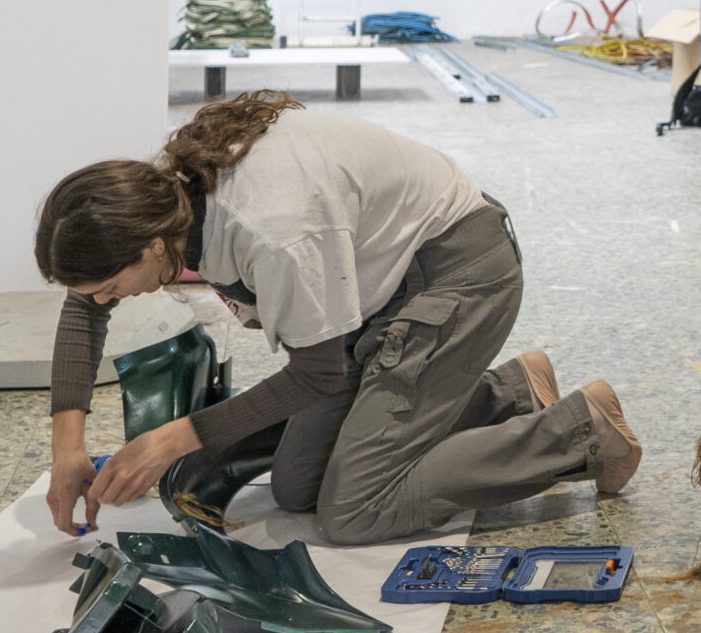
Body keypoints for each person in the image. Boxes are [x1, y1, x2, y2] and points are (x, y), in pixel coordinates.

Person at [34, 92, 639, 545]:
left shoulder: (271, 230)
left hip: (457, 276)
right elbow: (84, 308)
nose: (105, 300)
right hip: (380, 285)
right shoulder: (153, 200)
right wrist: (68, 449)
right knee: (298, 487)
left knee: (357, 510)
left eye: (111, 287)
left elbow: (316, 374)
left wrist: (171, 439)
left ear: (152, 247)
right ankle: (510, 394)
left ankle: (578, 431)